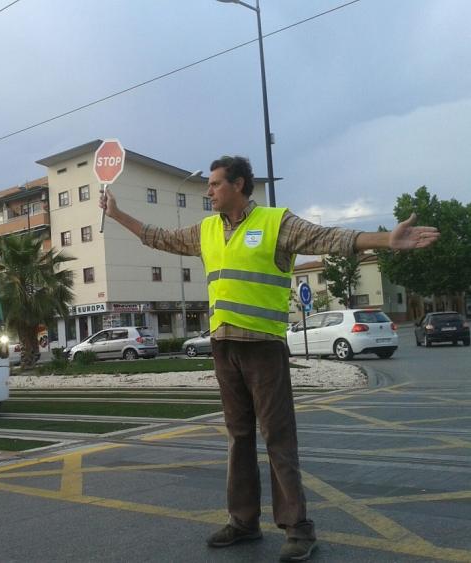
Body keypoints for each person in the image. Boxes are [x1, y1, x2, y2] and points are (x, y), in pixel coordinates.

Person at [99, 155, 439, 562]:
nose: (208, 191)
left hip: (263, 346)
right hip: (224, 346)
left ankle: (298, 529)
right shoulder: (207, 229)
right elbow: (158, 237)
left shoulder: (276, 223)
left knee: (278, 438)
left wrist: (384, 240)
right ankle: (243, 522)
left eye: (215, 184)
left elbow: (326, 239)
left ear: (239, 185)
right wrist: (117, 214)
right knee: (238, 437)